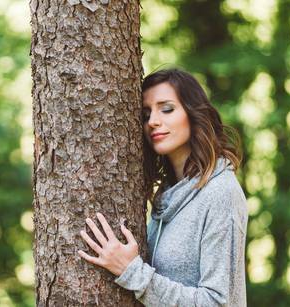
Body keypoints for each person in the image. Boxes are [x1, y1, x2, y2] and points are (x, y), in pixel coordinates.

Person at [77, 68, 248, 306]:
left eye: (167, 109)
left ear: (193, 113)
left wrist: (132, 272)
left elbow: (217, 302)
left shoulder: (220, 193)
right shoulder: (168, 195)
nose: (153, 122)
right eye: (146, 114)